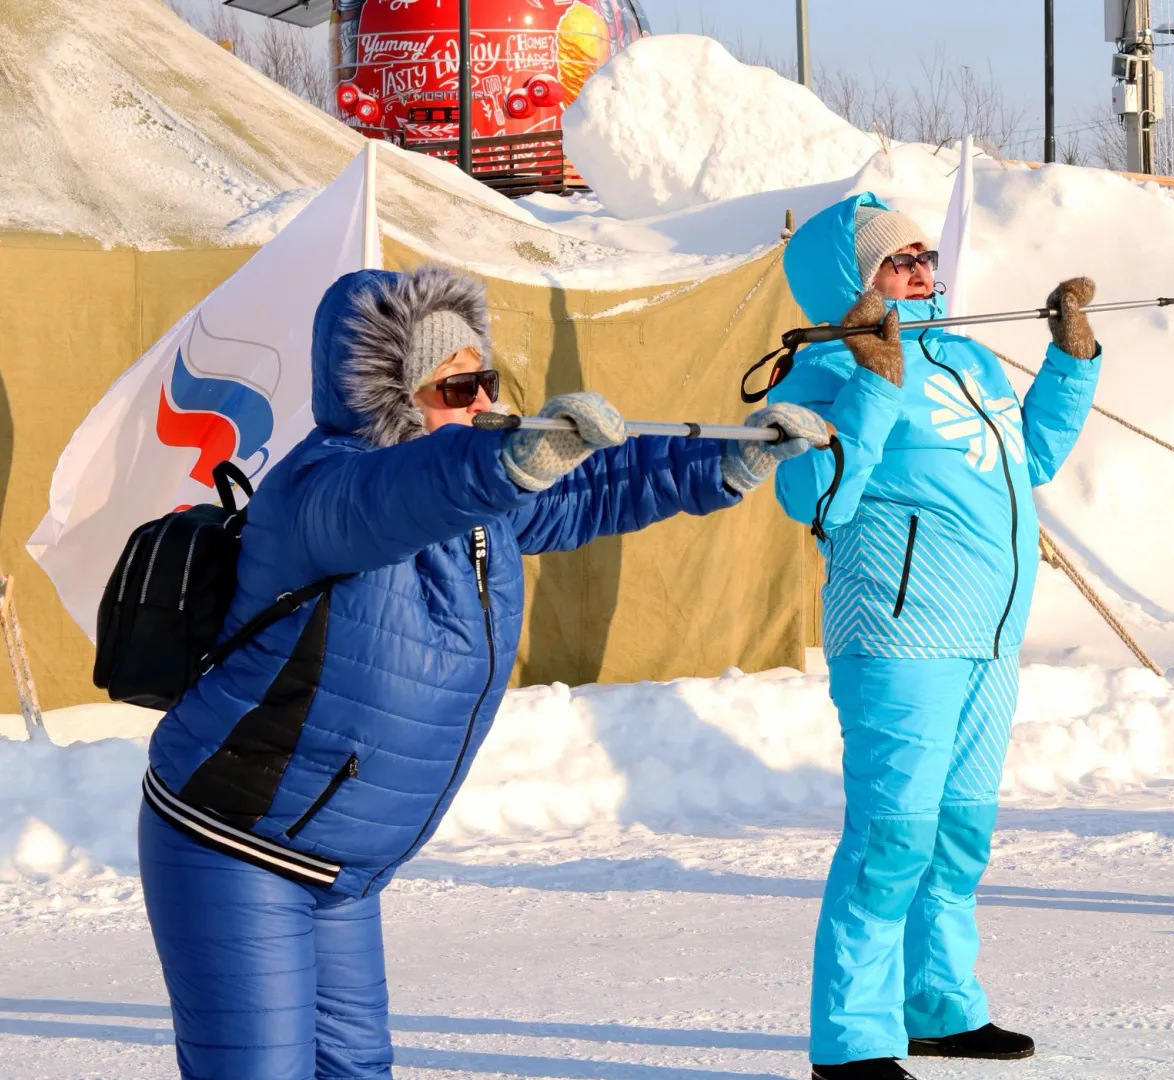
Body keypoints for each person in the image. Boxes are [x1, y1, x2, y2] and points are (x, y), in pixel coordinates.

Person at [137, 263, 829, 1080]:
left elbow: (587, 490)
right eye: (458, 388)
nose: (485, 406)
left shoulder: (471, 491)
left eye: (489, 381)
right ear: (392, 397)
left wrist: (725, 460)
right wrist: (504, 464)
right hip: (236, 846)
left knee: (357, 1073)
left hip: (340, 868)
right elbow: (400, 498)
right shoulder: (322, 489)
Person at [767, 194, 1102, 1080]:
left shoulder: (961, 355)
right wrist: (874, 385)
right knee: (892, 838)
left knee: (957, 836)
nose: (922, 272)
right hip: (898, 633)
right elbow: (813, 500)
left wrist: (1070, 366)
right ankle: (852, 1041)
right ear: (854, 280)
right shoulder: (820, 377)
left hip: (988, 636)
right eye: (898, 261)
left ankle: (939, 1007)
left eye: (924, 256)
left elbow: (1024, 463)